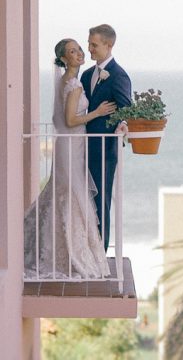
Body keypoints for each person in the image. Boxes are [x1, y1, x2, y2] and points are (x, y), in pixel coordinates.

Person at [24, 38, 116, 278]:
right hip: (71, 144)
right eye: (72, 51)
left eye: (79, 49)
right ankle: (70, 252)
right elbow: (69, 120)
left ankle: (57, 246)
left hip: (71, 144)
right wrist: (97, 112)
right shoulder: (73, 85)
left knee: (66, 191)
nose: (79, 53)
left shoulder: (69, 81)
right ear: (64, 59)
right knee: (72, 192)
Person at [80, 24, 132, 251]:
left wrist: (122, 125)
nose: (89, 49)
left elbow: (126, 110)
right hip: (81, 147)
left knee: (101, 202)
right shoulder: (86, 75)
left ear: (109, 45)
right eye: (89, 43)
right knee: (82, 201)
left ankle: (100, 253)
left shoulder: (119, 76)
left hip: (103, 151)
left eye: (94, 44)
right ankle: (83, 249)